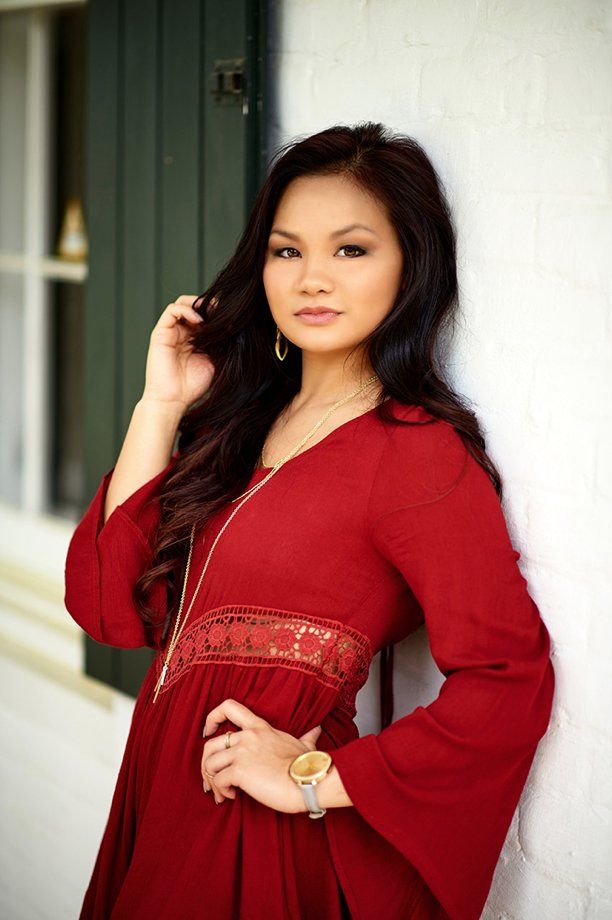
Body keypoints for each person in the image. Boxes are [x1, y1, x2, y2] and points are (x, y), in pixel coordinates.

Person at [64, 121, 555, 920]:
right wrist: (160, 405)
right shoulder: (239, 426)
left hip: (252, 834)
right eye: (287, 251)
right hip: (161, 798)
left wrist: (311, 781)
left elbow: (510, 679)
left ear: (411, 265)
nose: (312, 278)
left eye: (351, 250)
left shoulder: (419, 455)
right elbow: (107, 606)